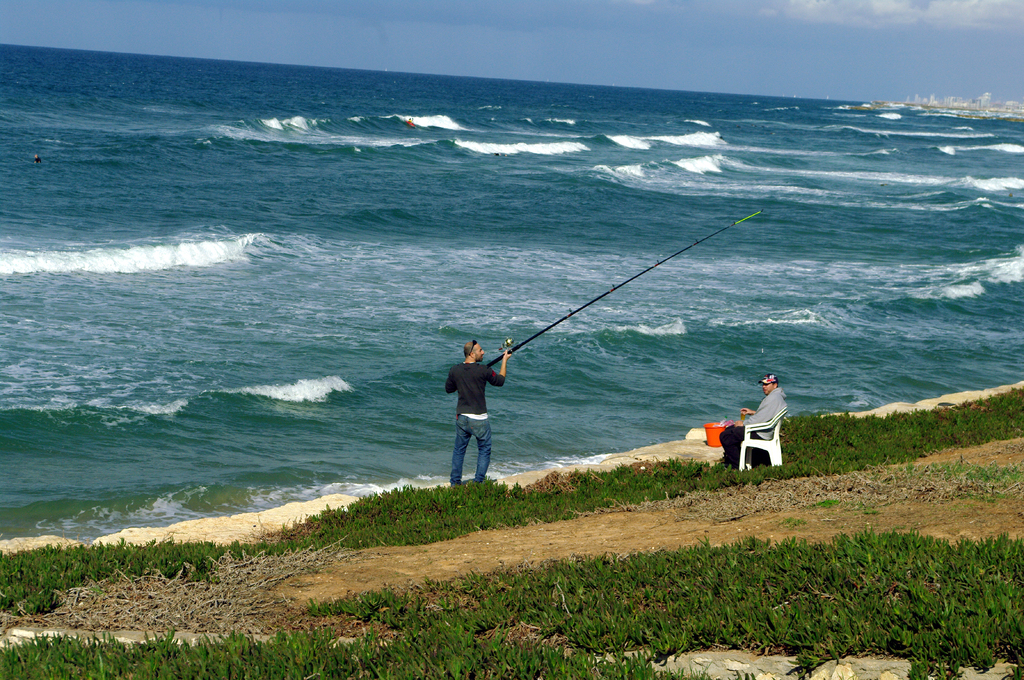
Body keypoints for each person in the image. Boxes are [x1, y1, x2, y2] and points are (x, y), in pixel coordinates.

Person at [445, 340, 510, 486]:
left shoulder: (454, 370)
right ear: (472, 354)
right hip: (479, 419)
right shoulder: (484, 370)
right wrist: (504, 360)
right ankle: (478, 482)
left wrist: (462, 382)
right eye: (480, 350)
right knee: (484, 450)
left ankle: (455, 483)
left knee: (459, 451)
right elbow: (500, 381)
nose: (483, 352)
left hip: (462, 417)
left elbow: (449, 389)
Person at [720, 373, 787, 469]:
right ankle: (737, 461)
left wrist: (743, 424)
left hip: (761, 432)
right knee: (729, 430)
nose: (764, 387)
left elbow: (760, 420)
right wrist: (752, 412)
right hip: (763, 429)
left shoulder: (773, 398)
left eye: (767, 384)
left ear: (775, 385)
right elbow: (766, 415)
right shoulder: (776, 396)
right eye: (763, 384)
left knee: (725, 436)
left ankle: (737, 466)